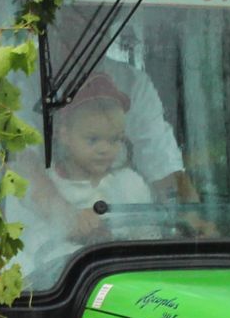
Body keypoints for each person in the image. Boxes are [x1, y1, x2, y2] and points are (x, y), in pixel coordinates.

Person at [11, 72, 156, 277]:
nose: (104, 149)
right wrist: (70, 225)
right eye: (93, 139)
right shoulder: (47, 190)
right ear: (64, 135)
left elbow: (148, 241)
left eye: (114, 140)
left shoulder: (130, 185)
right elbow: (28, 251)